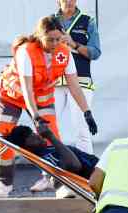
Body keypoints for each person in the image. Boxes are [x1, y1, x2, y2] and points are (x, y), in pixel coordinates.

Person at [0, 15, 97, 198]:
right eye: (50, 39)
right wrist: (36, 117)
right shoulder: (26, 51)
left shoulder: (64, 52)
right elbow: (26, 88)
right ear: (40, 36)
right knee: (5, 137)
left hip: (41, 97)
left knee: (51, 137)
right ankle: (4, 183)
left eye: (58, 38)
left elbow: (74, 85)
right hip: (12, 96)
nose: (54, 43)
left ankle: (59, 183)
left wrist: (87, 112)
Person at [31, 0, 101, 198]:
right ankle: (47, 175)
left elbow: (95, 53)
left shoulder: (88, 21)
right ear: (58, 1)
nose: (69, 1)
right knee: (49, 128)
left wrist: (74, 44)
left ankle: (88, 177)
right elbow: (37, 47)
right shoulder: (50, 21)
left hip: (80, 81)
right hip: (53, 81)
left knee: (82, 130)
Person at [4, 124, 99, 180]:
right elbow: (74, 166)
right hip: (99, 175)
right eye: (32, 138)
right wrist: (51, 137)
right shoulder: (47, 156)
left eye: (34, 134)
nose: (38, 137)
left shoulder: (50, 150)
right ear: (26, 148)